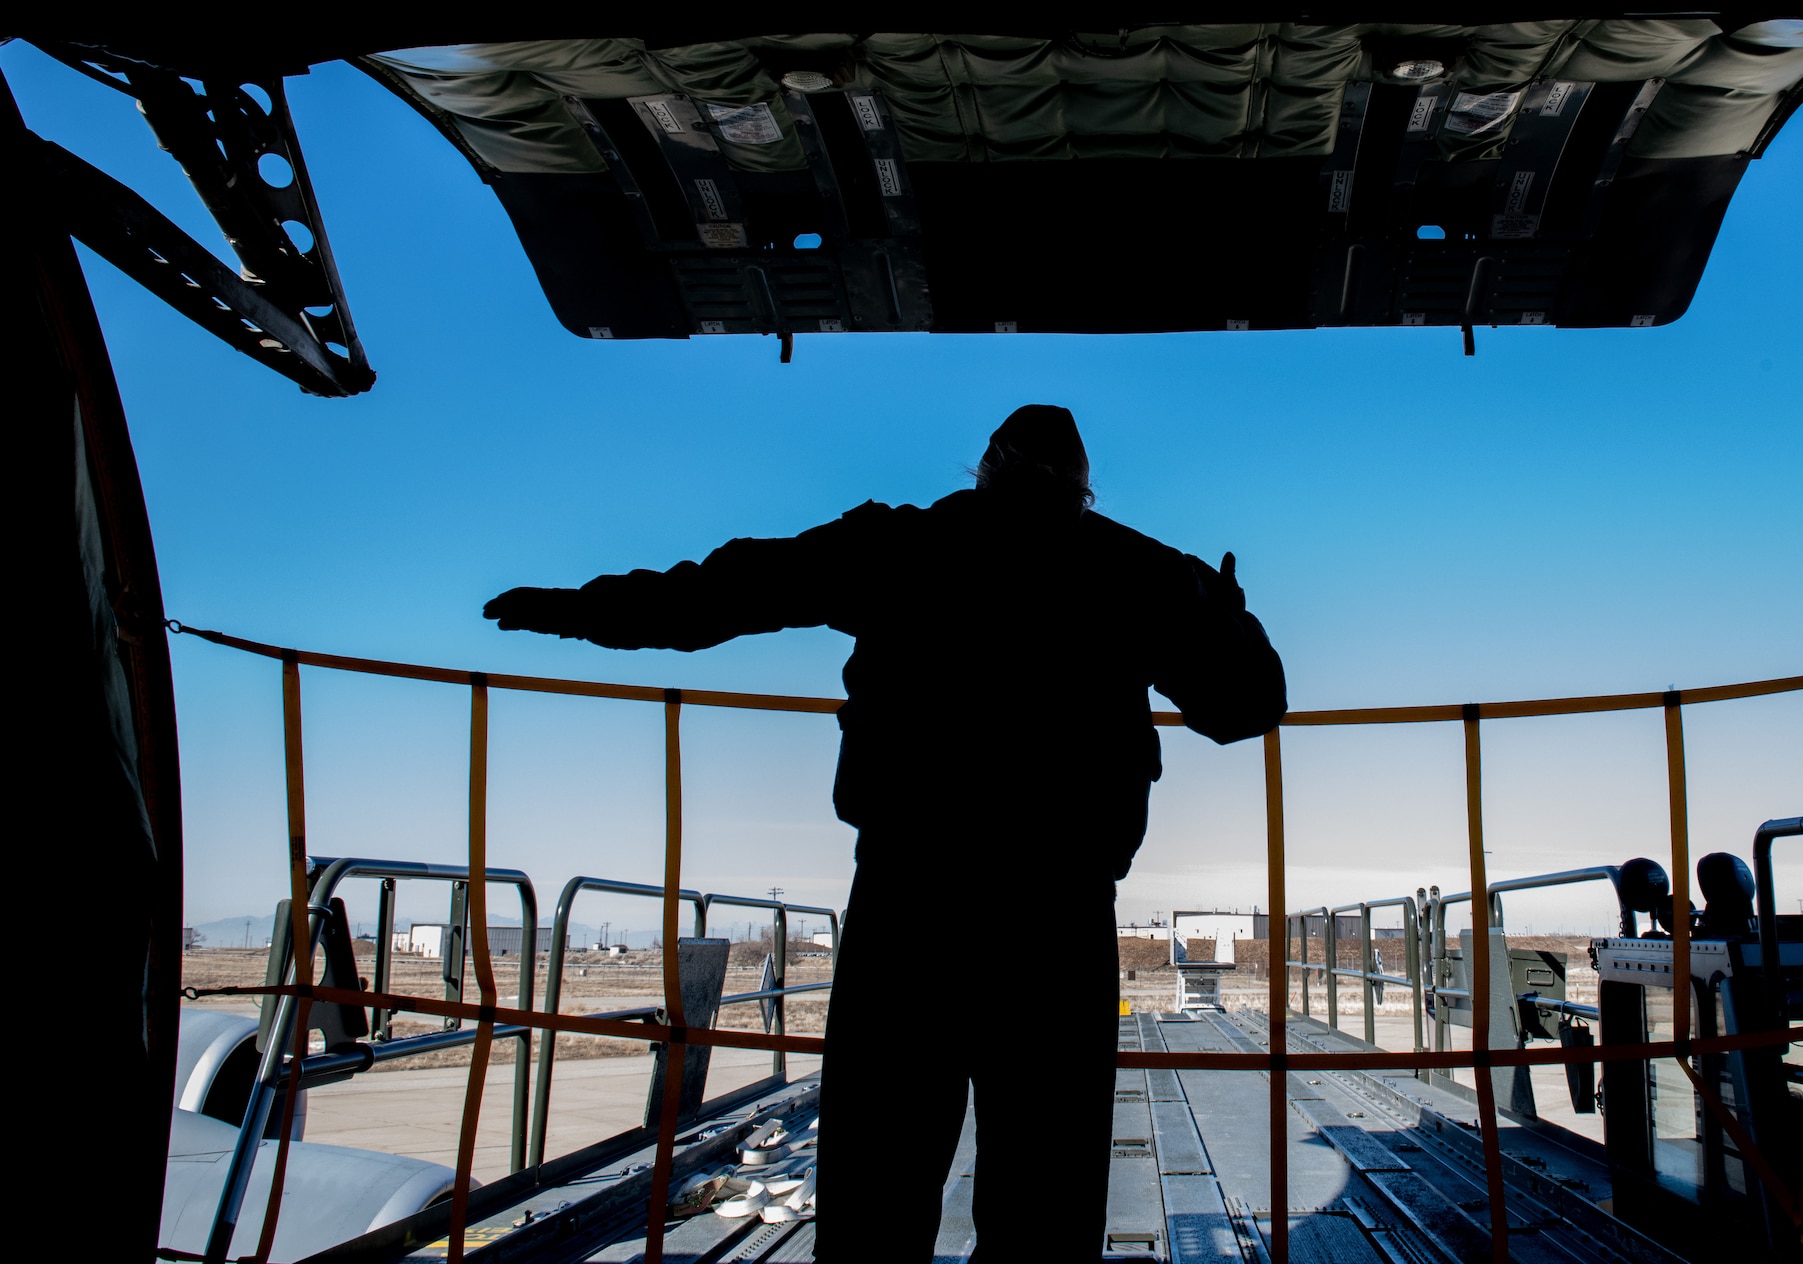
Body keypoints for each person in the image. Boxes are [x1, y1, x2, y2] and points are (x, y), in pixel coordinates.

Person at [485, 405, 1286, 1261]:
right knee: (1045, 1201)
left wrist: (576, 609)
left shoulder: (901, 546)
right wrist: (1223, 612)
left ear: (984, 469)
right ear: (1082, 490)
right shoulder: (1136, 572)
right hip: (1056, 917)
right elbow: (1247, 704)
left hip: (909, 905)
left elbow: (720, 595)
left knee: (879, 1186)